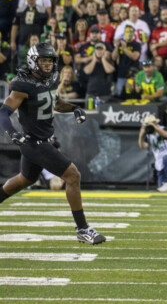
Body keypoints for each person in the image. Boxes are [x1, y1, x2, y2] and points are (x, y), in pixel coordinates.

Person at [0, 43, 105, 245]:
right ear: (33, 61)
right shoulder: (22, 85)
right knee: (73, 175)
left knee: (25, 179)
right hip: (33, 141)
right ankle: (82, 229)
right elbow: (4, 112)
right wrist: (12, 134)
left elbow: (54, 102)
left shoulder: (51, 78)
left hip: (44, 139)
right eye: (43, 61)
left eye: (50, 61)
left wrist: (74, 108)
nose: (48, 65)